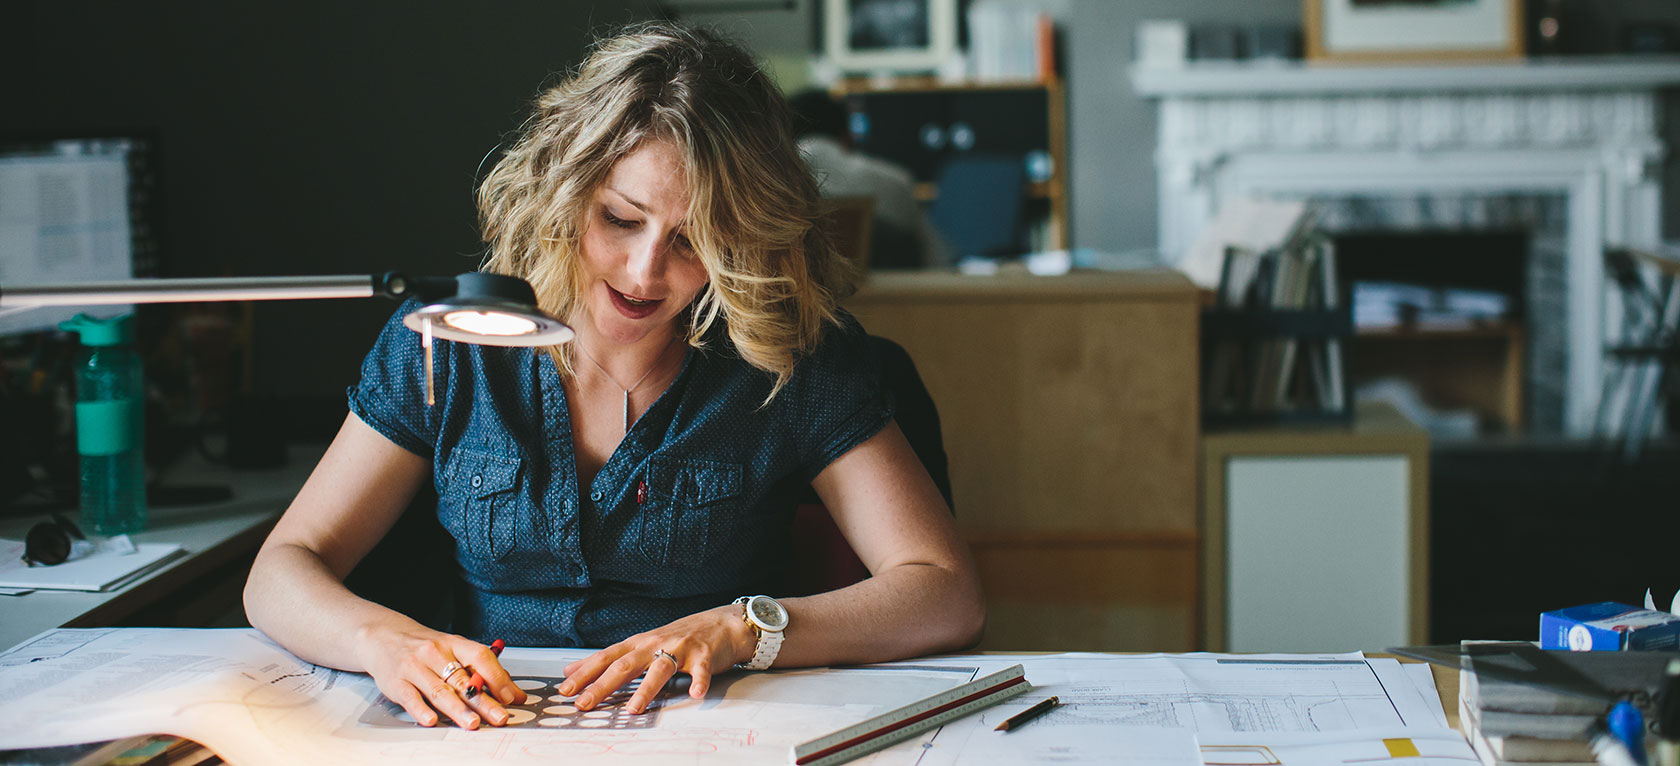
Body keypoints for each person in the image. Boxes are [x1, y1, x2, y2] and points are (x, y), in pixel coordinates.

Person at [243, 22, 984, 732]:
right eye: (621, 219)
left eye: (694, 241)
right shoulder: (452, 343)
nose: (644, 273)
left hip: (708, 729)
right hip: (483, 727)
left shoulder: (789, 359)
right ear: (565, 191)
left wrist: (741, 627)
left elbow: (945, 594)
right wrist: (385, 642)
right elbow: (281, 569)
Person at [788, 88, 950, 270]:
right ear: (847, 136)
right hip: (890, 296)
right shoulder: (895, 180)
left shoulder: (773, 186)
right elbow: (936, 261)